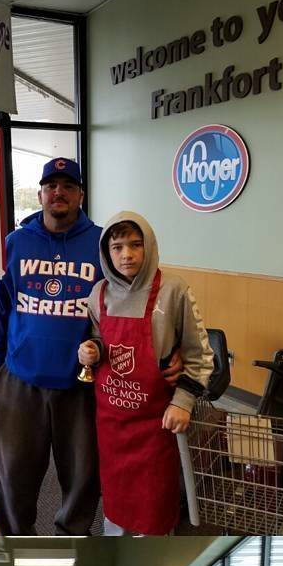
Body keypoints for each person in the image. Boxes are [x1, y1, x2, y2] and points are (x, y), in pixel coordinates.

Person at [0, 160, 182, 535]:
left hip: (85, 385)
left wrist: (171, 349)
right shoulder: (15, 243)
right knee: (13, 474)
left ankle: (71, 542)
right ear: (40, 194)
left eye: (68, 186)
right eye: (51, 185)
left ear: (81, 195)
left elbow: (141, 301)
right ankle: (15, 543)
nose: (59, 192)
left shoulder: (103, 243)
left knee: (83, 475)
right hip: (21, 383)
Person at [78, 212, 213, 535]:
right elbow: (97, 340)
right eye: (118, 247)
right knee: (115, 503)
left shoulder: (173, 290)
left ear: (149, 246)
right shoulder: (97, 294)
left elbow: (200, 354)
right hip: (112, 423)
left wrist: (183, 401)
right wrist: (88, 352)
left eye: (136, 245)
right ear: (106, 252)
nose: (127, 254)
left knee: (155, 506)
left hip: (157, 422)